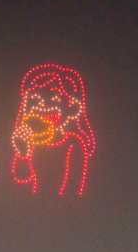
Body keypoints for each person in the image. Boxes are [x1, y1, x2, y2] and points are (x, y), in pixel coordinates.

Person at [11, 63, 95, 195]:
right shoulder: (31, 143)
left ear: (73, 108)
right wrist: (22, 153)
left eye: (55, 99)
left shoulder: (74, 144)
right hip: (32, 204)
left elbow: (74, 186)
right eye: (36, 99)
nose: (44, 107)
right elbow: (21, 178)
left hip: (62, 205)